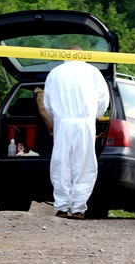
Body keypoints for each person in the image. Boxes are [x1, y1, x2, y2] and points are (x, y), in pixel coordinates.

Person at [43, 47, 110, 220]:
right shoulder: (93, 72)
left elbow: (47, 102)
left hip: (62, 123)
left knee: (61, 163)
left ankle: (62, 207)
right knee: (84, 164)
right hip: (85, 123)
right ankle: (79, 208)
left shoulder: (55, 73)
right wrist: (93, 116)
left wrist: (57, 117)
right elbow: (103, 99)